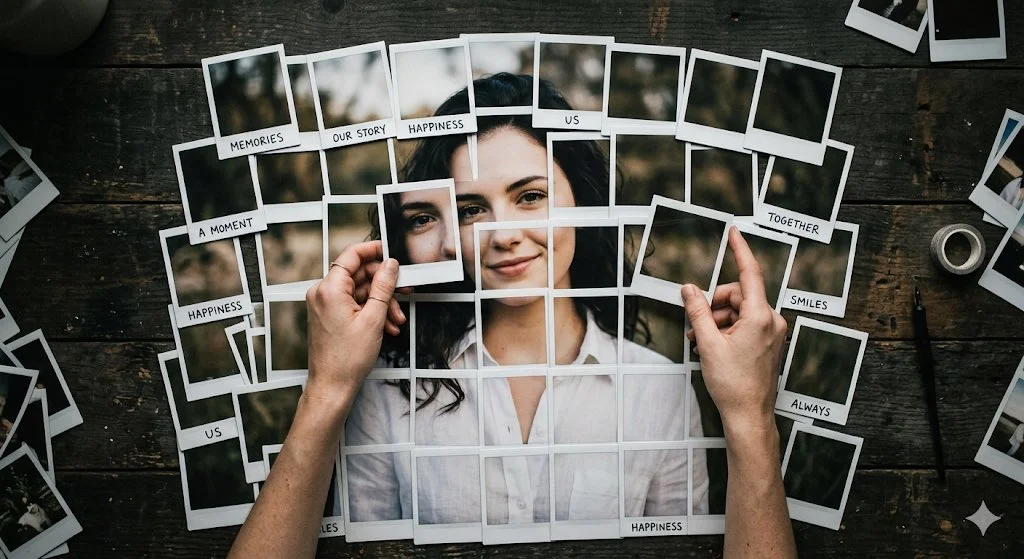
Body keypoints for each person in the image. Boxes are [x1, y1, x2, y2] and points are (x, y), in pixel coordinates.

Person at [346, 74, 703, 525]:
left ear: (583, 201)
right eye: (473, 210)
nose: (507, 235)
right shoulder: (388, 389)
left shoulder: (660, 390)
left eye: (531, 196)